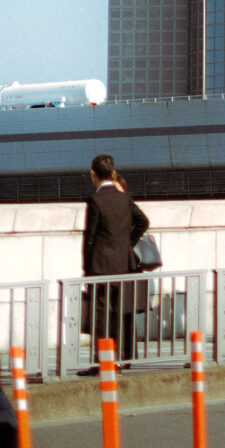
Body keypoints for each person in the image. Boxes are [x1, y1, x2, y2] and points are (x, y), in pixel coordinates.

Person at [83, 154, 149, 364]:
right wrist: (126, 244)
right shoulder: (124, 198)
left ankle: (104, 360)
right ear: (112, 173)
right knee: (119, 313)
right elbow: (143, 222)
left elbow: (90, 237)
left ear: (93, 174)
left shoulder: (95, 200)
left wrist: (87, 267)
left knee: (101, 315)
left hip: (100, 266)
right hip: (122, 265)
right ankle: (120, 357)